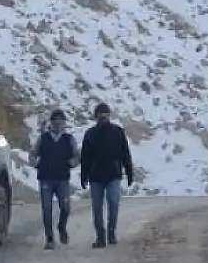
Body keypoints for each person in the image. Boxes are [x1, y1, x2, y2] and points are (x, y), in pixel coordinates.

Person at [78, 101, 135, 248]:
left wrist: (129, 172)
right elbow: (85, 157)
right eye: (100, 113)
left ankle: (111, 232)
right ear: (96, 116)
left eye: (105, 113)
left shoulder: (117, 131)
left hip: (113, 175)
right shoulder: (90, 134)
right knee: (97, 208)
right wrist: (83, 176)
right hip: (95, 176)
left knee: (113, 204)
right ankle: (100, 237)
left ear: (109, 115)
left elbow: (125, 154)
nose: (103, 116)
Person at [31, 109, 78, 249]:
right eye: (55, 121)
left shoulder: (69, 139)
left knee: (66, 207)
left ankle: (61, 227)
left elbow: (77, 155)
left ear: (64, 123)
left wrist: (71, 164)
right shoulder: (43, 138)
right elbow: (33, 154)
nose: (58, 124)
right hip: (45, 179)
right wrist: (37, 164)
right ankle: (49, 238)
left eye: (61, 121)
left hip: (62, 179)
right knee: (47, 208)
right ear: (51, 123)